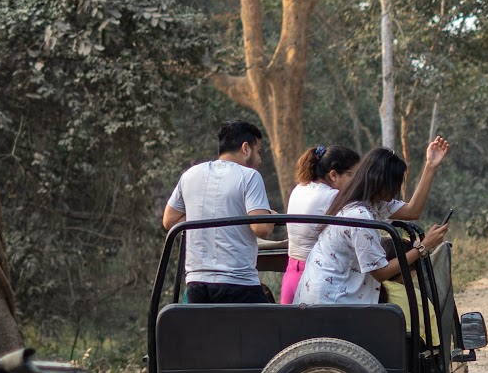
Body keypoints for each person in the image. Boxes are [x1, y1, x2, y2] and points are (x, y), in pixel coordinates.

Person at [293, 148, 448, 307]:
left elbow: (412, 211)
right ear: (382, 182)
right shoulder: (359, 215)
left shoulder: (367, 202)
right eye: (396, 183)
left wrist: (430, 166)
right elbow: (381, 273)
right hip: (331, 302)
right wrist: (423, 247)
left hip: (323, 299)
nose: (397, 189)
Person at [162, 120, 276, 304]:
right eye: (259, 151)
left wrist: (207, 215)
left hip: (196, 284)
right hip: (239, 284)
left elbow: (169, 221)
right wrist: (270, 215)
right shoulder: (249, 176)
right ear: (246, 148)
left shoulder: (190, 175)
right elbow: (262, 228)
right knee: (271, 322)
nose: (260, 160)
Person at [282, 145, 362, 304]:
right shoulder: (333, 196)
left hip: (291, 275)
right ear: (333, 175)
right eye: (351, 175)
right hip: (313, 279)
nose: (355, 181)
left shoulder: (300, 188)